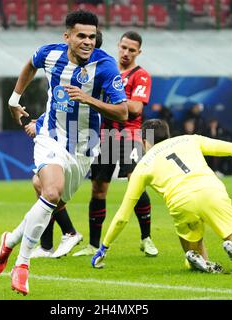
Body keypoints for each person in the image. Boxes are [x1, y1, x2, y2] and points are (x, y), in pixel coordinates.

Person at [0, 10, 128, 295]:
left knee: (50, 198)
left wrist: (89, 99)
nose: (87, 41)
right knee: (50, 192)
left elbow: (123, 112)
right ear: (67, 36)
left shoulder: (106, 67)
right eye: (81, 36)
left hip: (84, 148)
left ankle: (10, 240)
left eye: (92, 36)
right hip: (51, 137)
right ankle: (22, 265)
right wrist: (15, 99)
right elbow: (30, 63)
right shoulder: (51, 54)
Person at [91, 119, 232, 274]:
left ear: (144, 140)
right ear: (167, 134)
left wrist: (104, 247)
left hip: (181, 203)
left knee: (192, 251)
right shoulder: (189, 140)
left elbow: (123, 215)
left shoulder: (143, 166)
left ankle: (197, 260)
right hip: (211, 191)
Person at [73, 30, 156, 257]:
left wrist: (108, 100)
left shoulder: (141, 76)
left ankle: (146, 238)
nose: (126, 53)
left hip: (129, 135)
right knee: (98, 189)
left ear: (139, 52)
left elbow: (136, 109)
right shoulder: (106, 70)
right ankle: (92, 244)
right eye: (123, 48)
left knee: (135, 183)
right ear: (118, 46)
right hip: (103, 136)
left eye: (132, 50)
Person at [26, 29, 105, 259]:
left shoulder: (100, 73)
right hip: (66, 138)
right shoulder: (64, 65)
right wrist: (41, 122)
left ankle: (89, 240)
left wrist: (40, 123)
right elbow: (61, 107)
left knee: (102, 190)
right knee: (42, 185)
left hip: (90, 141)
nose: (86, 45)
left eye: (91, 42)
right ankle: (51, 243)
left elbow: (79, 111)